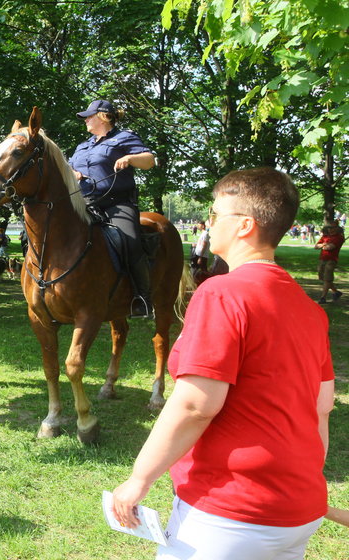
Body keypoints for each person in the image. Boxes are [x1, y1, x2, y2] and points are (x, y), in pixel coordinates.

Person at [111, 168, 334, 559]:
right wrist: (303, 485)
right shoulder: (311, 310)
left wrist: (139, 479)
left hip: (231, 513)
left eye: (214, 215)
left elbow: (196, 405)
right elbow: (322, 408)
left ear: (245, 225)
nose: (207, 224)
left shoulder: (221, 293)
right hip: (299, 511)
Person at [69, 99, 156, 317]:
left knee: (131, 241)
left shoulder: (124, 137)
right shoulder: (82, 146)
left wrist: (130, 157)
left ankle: (142, 297)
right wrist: (73, 174)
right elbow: (68, 169)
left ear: (103, 116)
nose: (85, 120)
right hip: (85, 203)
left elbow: (149, 161)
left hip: (117, 204)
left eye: (89, 116)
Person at [314, 223, 344, 303]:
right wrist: (324, 244)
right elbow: (316, 246)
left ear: (336, 228)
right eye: (329, 228)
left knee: (327, 279)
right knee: (322, 278)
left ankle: (323, 298)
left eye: (332, 228)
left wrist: (323, 245)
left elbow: (330, 247)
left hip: (331, 260)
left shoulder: (339, 237)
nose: (330, 229)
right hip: (322, 259)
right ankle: (336, 292)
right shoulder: (325, 236)